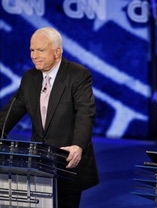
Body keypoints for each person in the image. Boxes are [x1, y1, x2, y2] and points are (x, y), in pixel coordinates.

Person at [0, 27, 99, 207]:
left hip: (67, 162)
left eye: (40, 50)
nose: (34, 55)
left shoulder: (77, 75)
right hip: (39, 164)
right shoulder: (29, 77)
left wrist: (78, 145)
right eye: (31, 50)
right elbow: (10, 112)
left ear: (57, 52)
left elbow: (85, 112)